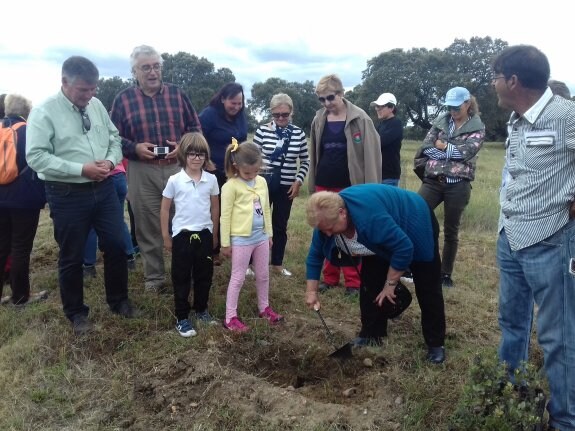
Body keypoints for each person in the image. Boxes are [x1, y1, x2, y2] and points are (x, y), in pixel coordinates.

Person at [492, 44, 575, 431]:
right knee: (512, 321)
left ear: (513, 80)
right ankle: (513, 395)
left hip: (550, 240)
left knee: (558, 336)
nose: (492, 84)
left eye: (495, 77)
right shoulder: (516, 118)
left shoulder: (565, 115)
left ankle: (564, 420)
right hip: (510, 235)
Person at [26, 56, 138, 335]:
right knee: (72, 254)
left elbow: (114, 137)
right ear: (64, 82)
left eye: (93, 89)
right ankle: (76, 313)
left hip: (103, 187)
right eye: (83, 90)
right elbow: (36, 157)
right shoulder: (44, 112)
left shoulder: (97, 105)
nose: (89, 96)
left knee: (115, 244)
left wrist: (111, 163)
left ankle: (119, 301)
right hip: (66, 193)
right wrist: (80, 169)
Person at [304, 185, 446, 364]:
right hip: (378, 235)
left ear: (342, 213)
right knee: (370, 281)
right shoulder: (326, 220)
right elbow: (315, 256)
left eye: (330, 228)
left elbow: (404, 247)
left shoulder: (369, 218)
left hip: (415, 219)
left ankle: (435, 343)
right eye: (323, 230)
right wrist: (311, 292)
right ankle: (372, 334)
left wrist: (390, 285)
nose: (328, 234)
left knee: (427, 285)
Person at [110, 45, 202, 292]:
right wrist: (135, 147)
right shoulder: (124, 99)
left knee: (185, 221)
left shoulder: (177, 94)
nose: (152, 72)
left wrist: (183, 145)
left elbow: (195, 127)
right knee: (147, 223)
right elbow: (112, 137)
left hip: (178, 167)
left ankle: (185, 273)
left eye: (156, 66)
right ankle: (155, 278)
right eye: (145, 67)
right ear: (135, 72)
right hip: (142, 170)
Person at [308, 74, 382, 296]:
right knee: (326, 231)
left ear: (341, 94)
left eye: (330, 97)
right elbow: (314, 153)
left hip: (350, 186)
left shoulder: (361, 119)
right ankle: (329, 278)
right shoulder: (318, 119)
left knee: (350, 233)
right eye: (322, 99)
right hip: (324, 183)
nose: (326, 103)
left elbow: (372, 156)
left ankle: (353, 282)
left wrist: (371, 191)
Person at [415, 86, 485, 289]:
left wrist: (443, 146)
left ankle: (445, 274)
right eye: (450, 107)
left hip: (458, 186)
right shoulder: (441, 121)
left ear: (467, 104)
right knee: (417, 216)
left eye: (457, 107)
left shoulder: (477, 127)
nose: (453, 111)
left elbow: (466, 152)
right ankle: (416, 264)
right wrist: (447, 150)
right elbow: (426, 147)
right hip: (433, 181)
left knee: (451, 230)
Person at [161, 133, 220, 337]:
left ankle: (202, 310)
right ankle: (182, 317)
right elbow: (165, 210)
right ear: (184, 155)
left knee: (204, 275)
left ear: (206, 156)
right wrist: (166, 236)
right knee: (181, 277)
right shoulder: (174, 180)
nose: (196, 158)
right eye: (192, 154)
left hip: (204, 234)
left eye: (201, 154)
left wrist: (214, 233)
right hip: (182, 236)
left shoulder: (211, 180)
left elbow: (215, 208)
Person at [220, 140, 283, 332]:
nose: (252, 176)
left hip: (261, 237)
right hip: (241, 239)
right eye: (248, 173)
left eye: (256, 171)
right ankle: (230, 317)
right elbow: (225, 216)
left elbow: (265, 208)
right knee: (238, 277)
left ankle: (264, 308)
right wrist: (225, 243)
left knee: (263, 275)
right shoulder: (230, 186)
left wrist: (269, 234)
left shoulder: (262, 182)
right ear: (235, 166)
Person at [253, 93, 309, 276]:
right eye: (276, 115)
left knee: (280, 225)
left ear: (291, 112)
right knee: (258, 223)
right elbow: (253, 158)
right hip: (264, 184)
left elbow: (305, 161)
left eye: (284, 114)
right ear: (271, 113)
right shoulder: (262, 131)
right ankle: (252, 263)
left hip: (287, 186)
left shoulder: (299, 133)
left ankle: (276, 263)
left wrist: (298, 181)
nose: (281, 118)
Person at [0, 94, 48, 305]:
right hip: (23, 198)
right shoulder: (29, 131)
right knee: (20, 247)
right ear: (27, 110)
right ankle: (20, 296)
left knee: (2, 246)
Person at [199, 83, 248, 266]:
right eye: (232, 103)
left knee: (231, 210)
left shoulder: (241, 117)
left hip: (233, 171)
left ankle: (229, 246)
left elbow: (242, 140)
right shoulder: (209, 114)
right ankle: (211, 250)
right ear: (222, 99)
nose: (236, 107)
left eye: (239, 103)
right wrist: (205, 159)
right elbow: (196, 137)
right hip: (212, 171)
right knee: (214, 210)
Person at [83, 163, 136, 278]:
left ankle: (88, 266)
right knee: (118, 220)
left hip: (101, 178)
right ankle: (129, 257)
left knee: (91, 223)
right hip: (119, 176)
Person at [370, 92, 403, 187]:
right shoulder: (381, 124)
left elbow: (379, 142)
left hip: (389, 176)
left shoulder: (396, 123)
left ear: (391, 108)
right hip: (377, 174)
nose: (377, 109)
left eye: (381, 106)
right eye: (376, 107)